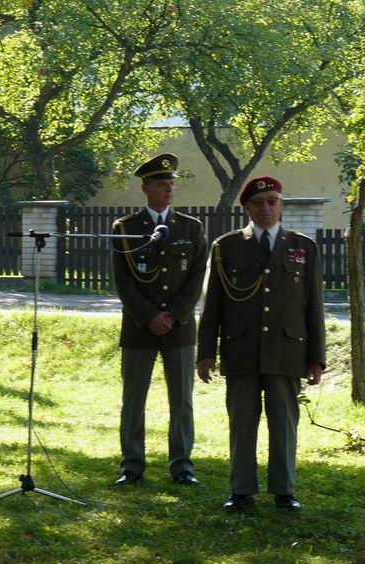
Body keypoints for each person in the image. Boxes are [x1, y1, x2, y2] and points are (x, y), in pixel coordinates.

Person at [196, 176, 325, 511]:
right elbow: (212, 304)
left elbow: (314, 306)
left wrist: (316, 358)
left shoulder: (303, 247)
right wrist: (206, 352)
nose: (266, 208)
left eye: (272, 201)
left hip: (286, 349)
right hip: (241, 347)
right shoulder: (226, 247)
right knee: (242, 422)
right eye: (258, 203)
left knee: (284, 423)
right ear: (246, 208)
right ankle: (241, 490)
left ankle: (285, 490)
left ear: (280, 204)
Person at [110, 153, 208, 486]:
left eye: (171, 184)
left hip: (179, 327)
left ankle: (182, 465)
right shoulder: (125, 228)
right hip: (139, 327)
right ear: (146, 188)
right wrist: (150, 316)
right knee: (133, 399)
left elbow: (197, 276)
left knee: (181, 400)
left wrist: (174, 315)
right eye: (162, 184)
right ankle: (132, 466)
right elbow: (123, 280)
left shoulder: (191, 228)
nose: (169, 190)